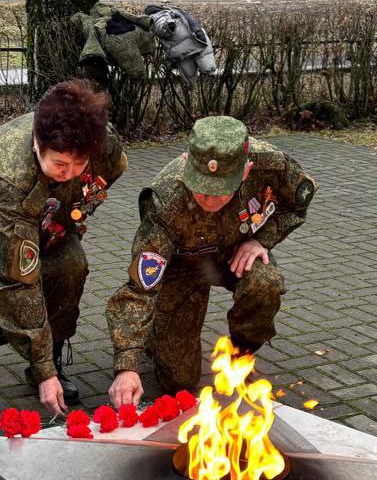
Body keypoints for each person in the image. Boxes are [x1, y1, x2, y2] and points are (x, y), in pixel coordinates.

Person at [0, 80, 126, 415]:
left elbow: (111, 170)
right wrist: (43, 368)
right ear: (37, 144)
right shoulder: (7, 179)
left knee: (70, 269)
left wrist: (70, 209)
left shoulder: (99, 140)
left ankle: (48, 361)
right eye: (60, 165)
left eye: (79, 165)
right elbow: (18, 286)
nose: (70, 173)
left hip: (45, 211)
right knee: (8, 310)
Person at [105, 116, 315, 408]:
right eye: (200, 187)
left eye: (219, 191)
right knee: (179, 383)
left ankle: (241, 356)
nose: (207, 199)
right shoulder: (166, 201)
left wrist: (261, 241)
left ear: (246, 171)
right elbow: (139, 289)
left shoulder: (272, 166)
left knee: (265, 283)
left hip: (235, 252)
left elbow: (299, 200)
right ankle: (157, 336)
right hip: (181, 267)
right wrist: (127, 366)